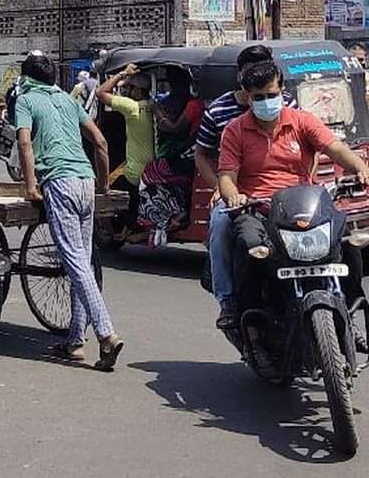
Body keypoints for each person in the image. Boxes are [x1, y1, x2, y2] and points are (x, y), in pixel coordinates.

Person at [217, 59, 369, 332]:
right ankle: (250, 322)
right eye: (259, 97)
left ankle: (351, 311)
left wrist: (361, 169)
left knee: (347, 242)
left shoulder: (302, 121)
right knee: (250, 249)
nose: (266, 102)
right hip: (258, 209)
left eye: (271, 95)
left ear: (282, 90)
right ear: (247, 98)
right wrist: (234, 196)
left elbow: (336, 149)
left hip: (304, 207)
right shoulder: (235, 130)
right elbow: (227, 178)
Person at [15, 53, 124, 370]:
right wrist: (103, 184)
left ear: (26, 77)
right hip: (85, 181)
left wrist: (30, 186)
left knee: (76, 262)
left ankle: (106, 334)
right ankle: (76, 342)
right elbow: (101, 142)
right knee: (83, 260)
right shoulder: (66, 99)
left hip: (59, 182)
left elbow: (25, 144)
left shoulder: (26, 99)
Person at [197, 44, 294, 326]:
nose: (266, 99)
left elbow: (313, 145)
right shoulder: (219, 112)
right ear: (241, 78)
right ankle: (226, 299)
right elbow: (201, 155)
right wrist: (221, 185)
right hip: (238, 192)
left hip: (283, 191)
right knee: (219, 226)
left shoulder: (288, 105)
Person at [137, 69, 203, 248]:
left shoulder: (194, 105)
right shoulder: (191, 102)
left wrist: (157, 112)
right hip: (189, 154)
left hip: (188, 156)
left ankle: (162, 217)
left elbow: (174, 128)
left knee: (150, 172)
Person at [96, 63, 154, 239]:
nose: (127, 91)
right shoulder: (153, 105)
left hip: (135, 171)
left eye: (130, 88)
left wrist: (122, 74)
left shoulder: (133, 108)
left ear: (137, 90)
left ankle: (110, 229)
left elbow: (101, 93)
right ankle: (128, 224)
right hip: (152, 167)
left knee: (104, 188)